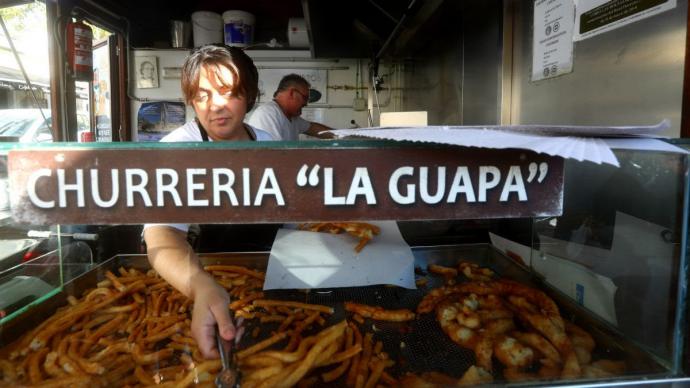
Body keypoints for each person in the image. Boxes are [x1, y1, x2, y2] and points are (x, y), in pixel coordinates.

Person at [143, 44, 274, 359]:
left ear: (251, 94)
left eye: (228, 92)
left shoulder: (270, 145)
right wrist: (200, 285)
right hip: (203, 281)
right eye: (202, 96)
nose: (215, 106)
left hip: (269, 284)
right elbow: (161, 234)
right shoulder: (176, 149)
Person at [247, 73, 334, 140]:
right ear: (292, 93)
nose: (306, 103)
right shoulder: (268, 114)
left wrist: (341, 135)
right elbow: (274, 154)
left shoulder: (292, 117)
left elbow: (312, 128)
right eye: (305, 98)